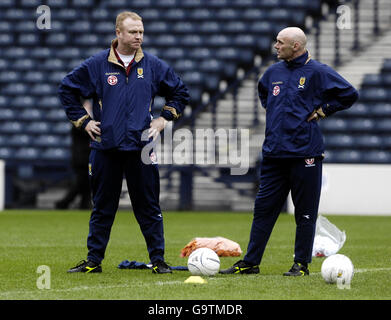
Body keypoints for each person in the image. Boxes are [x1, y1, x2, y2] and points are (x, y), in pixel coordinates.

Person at [220, 27, 358, 276]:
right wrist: (277, 114)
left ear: (296, 46)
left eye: (280, 42)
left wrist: (324, 109)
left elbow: (349, 93)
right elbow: (264, 92)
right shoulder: (273, 72)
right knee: (263, 210)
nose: (275, 45)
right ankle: (251, 263)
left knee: (305, 212)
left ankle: (301, 264)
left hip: (305, 153)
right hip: (273, 154)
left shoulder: (318, 71)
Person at [58, 11, 189, 274]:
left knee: (149, 206)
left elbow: (180, 92)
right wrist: (84, 121)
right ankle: (94, 261)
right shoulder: (96, 64)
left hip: (142, 149)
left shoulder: (153, 65)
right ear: (118, 33)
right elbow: (66, 89)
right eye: (133, 32)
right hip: (106, 148)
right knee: (103, 207)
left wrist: (164, 119)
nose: (139, 36)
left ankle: (158, 259)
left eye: (141, 31)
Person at [55, 101, 92, 210]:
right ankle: (64, 203)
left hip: (84, 156)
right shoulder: (79, 122)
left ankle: (84, 203)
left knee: (85, 181)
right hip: (80, 157)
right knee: (81, 182)